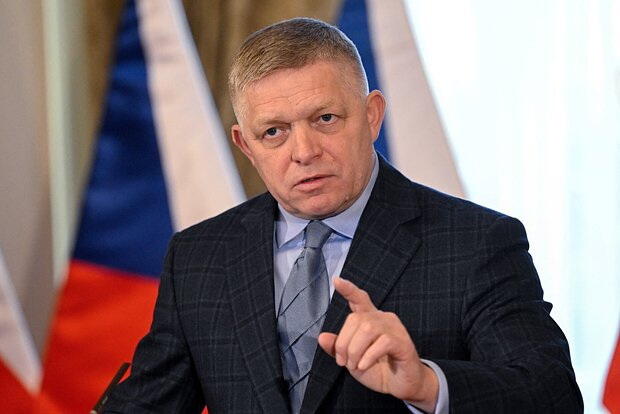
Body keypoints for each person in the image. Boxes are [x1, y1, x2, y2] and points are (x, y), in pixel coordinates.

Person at [104, 18, 582, 413]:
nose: (304, 151)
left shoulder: (476, 242)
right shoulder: (198, 257)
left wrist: (426, 384)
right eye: (274, 132)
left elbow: (552, 395)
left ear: (372, 115)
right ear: (245, 145)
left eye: (325, 119)